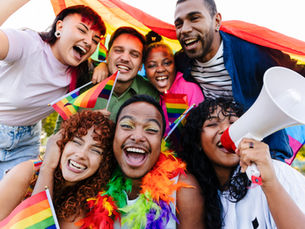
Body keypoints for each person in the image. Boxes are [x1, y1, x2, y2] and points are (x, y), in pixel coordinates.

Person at [174, 0, 305, 161]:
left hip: (264, 154)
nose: (185, 29)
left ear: (216, 21)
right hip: (217, 156)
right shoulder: (181, 62)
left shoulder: (252, 53)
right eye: (178, 24)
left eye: (194, 18)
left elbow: (294, 73)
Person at [0, 0, 107, 179]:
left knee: (12, 201)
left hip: (25, 142)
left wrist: (104, 64)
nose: (89, 42)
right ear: (60, 26)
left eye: (95, 40)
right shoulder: (28, 43)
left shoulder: (80, 72)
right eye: (82, 30)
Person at [80, 95, 204, 229]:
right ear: (114, 135)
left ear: (161, 142)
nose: (138, 137)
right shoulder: (96, 181)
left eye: (151, 130)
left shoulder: (183, 189)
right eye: (127, 126)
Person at [179, 97, 305, 228]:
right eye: (212, 124)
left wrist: (270, 183)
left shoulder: (275, 171)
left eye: (233, 123)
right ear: (197, 142)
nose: (226, 130)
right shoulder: (203, 196)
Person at [0, 110, 116, 228]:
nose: (81, 154)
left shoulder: (88, 206)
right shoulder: (26, 173)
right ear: (62, 142)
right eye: (77, 142)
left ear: (104, 163)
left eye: (95, 150)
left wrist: (48, 168)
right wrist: (47, 167)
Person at [144, 31, 204, 133]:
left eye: (167, 63)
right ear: (144, 69)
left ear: (175, 65)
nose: (160, 69)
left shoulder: (189, 89)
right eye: (152, 65)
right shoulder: (146, 92)